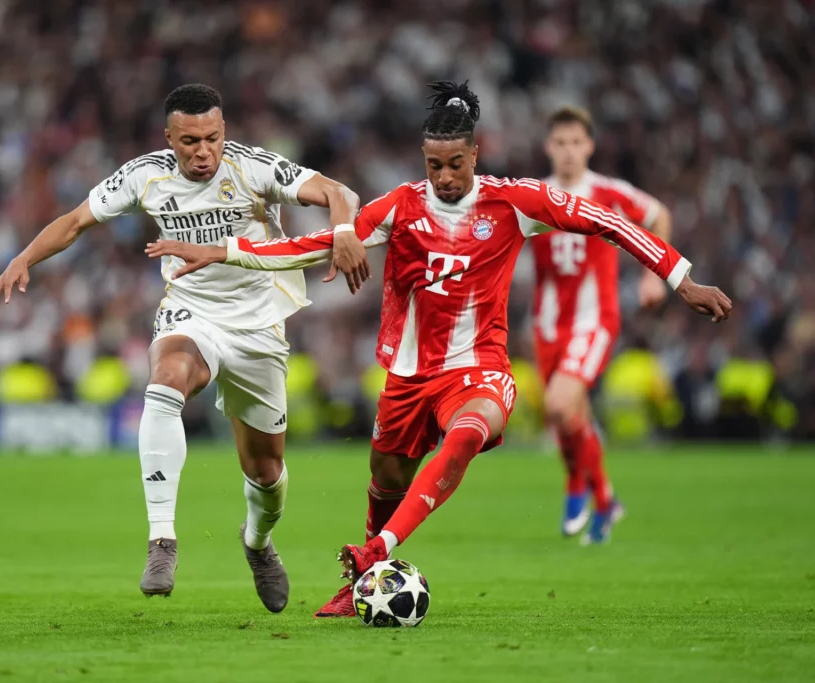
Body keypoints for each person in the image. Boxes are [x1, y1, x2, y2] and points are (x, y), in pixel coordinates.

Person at [144, 81, 732, 617]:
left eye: (455, 164)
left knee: (468, 433)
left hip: (478, 369)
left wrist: (683, 279)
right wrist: (222, 252)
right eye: (434, 165)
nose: (445, 177)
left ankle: (374, 553)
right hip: (406, 379)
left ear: (474, 156)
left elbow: (609, 222)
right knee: (386, 476)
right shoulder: (400, 206)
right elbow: (309, 244)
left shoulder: (515, 202)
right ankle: (364, 582)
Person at [0, 84, 370, 613]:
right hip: (192, 312)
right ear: (169, 139)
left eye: (211, 138)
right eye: (189, 142)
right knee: (165, 381)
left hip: (258, 325)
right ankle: (162, 540)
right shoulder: (146, 176)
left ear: (223, 133)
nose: (202, 151)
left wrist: (343, 228)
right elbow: (74, 222)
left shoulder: (252, 168)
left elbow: (338, 191)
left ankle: (256, 543)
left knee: (267, 473)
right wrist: (24, 257)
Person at [533, 105, 674, 543]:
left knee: (560, 406)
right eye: (561, 143)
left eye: (577, 142)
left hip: (594, 322)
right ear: (548, 147)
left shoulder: (609, 192)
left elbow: (658, 215)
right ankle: (607, 499)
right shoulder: (533, 194)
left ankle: (576, 486)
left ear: (590, 146)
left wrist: (656, 275)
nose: (569, 151)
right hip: (547, 325)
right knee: (571, 419)